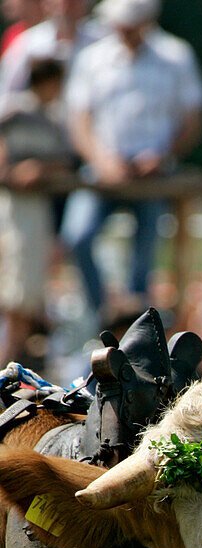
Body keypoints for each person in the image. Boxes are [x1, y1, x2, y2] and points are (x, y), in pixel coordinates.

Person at [59, 0, 202, 316]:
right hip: (102, 173)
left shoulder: (176, 56)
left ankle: (136, 322)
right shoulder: (93, 59)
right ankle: (102, 312)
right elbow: (79, 121)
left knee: (144, 254)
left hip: (155, 176)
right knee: (77, 235)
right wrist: (102, 160)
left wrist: (163, 155)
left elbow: (194, 119)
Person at [0, 55, 75, 364]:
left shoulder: (54, 119)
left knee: (26, 293)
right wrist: (16, 173)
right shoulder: (14, 113)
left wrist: (39, 169)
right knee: (16, 291)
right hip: (14, 208)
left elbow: (64, 162)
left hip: (37, 210)